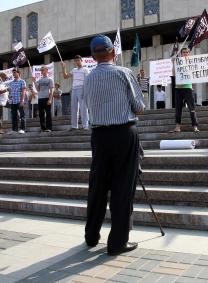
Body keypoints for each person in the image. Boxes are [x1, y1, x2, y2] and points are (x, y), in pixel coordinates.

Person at [83, 35, 145, 256]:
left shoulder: (88, 78)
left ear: (93, 56)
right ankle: (117, 242)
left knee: (97, 186)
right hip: (123, 132)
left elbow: (89, 106)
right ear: (113, 52)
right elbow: (139, 107)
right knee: (122, 188)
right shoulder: (123, 73)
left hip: (99, 135)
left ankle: (91, 235)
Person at [171, 48, 199, 133]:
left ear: (189, 53)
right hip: (178, 88)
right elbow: (173, 74)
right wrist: (173, 63)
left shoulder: (192, 62)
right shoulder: (177, 62)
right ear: (181, 54)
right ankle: (177, 126)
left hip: (188, 87)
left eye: (187, 52)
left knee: (191, 107)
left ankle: (195, 126)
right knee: (178, 108)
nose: (185, 53)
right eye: (184, 52)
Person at [61, 55, 89, 130]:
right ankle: (74, 126)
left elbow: (87, 81)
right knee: (74, 108)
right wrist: (64, 68)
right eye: (75, 61)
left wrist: (85, 91)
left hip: (82, 88)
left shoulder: (85, 70)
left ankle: (85, 125)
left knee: (83, 107)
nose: (77, 62)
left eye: (78, 60)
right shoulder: (74, 70)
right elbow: (65, 76)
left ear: (81, 60)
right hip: (74, 89)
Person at [32, 65, 53, 132]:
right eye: (41, 70)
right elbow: (38, 89)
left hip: (47, 97)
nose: (42, 71)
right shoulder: (39, 80)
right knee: (41, 114)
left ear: (47, 70)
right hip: (40, 98)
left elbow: (52, 90)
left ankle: (49, 128)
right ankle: (43, 128)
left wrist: (50, 99)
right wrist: (34, 81)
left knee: (48, 113)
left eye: (43, 70)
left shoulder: (50, 79)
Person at [8, 68, 27, 134]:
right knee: (13, 116)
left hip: (19, 100)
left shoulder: (22, 81)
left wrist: (22, 101)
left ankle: (22, 129)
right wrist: (9, 97)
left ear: (19, 73)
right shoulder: (11, 83)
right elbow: (10, 92)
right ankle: (14, 129)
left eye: (15, 72)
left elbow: (23, 91)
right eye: (13, 73)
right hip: (13, 101)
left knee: (22, 115)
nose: (13, 74)